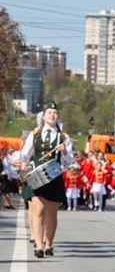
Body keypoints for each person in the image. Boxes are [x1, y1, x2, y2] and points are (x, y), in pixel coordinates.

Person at [12, 101, 74, 257]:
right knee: (38, 210)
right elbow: (24, 154)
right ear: (44, 117)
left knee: (52, 213)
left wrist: (65, 151)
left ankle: (49, 243)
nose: (52, 115)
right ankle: (38, 245)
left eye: (55, 113)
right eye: (49, 113)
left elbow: (69, 161)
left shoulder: (63, 137)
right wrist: (15, 160)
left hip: (54, 175)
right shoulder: (35, 135)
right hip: (37, 175)